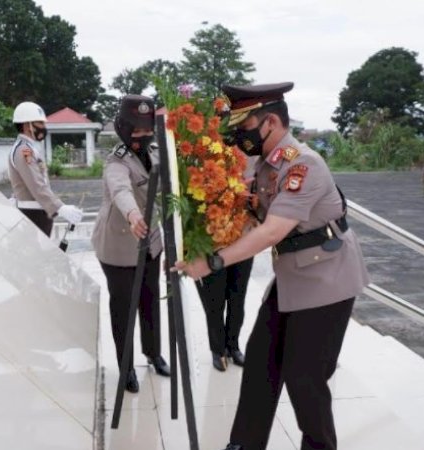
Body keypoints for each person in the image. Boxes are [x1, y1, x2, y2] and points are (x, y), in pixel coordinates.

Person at [176, 82, 370, 450]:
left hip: (327, 279)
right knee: (262, 363)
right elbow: (250, 219)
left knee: (305, 378)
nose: (239, 134)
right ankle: (244, 445)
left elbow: (271, 232)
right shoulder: (268, 165)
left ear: (271, 123)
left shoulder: (303, 164)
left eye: (245, 124)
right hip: (294, 276)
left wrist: (213, 262)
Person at [91, 95, 170, 394]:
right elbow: (121, 189)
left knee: (150, 300)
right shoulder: (116, 160)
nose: (142, 135)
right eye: (135, 131)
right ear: (124, 129)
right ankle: (125, 368)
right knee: (124, 308)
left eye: (146, 129)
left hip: (150, 241)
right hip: (119, 246)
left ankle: (153, 353)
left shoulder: (154, 151)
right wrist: (133, 213)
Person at [8, 101, 84, 236]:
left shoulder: (29, 148)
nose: (44, 127)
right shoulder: (24, 150)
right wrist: (60, 207)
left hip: (37, 211)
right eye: (40, 123)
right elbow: (36, 185)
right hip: (33, 214)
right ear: (27, 126)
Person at [195, 257, 254, 371]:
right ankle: (218, 349)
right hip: (210, 247)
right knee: (214, 303)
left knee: (237, 299)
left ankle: (233, 346)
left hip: (242, 245)